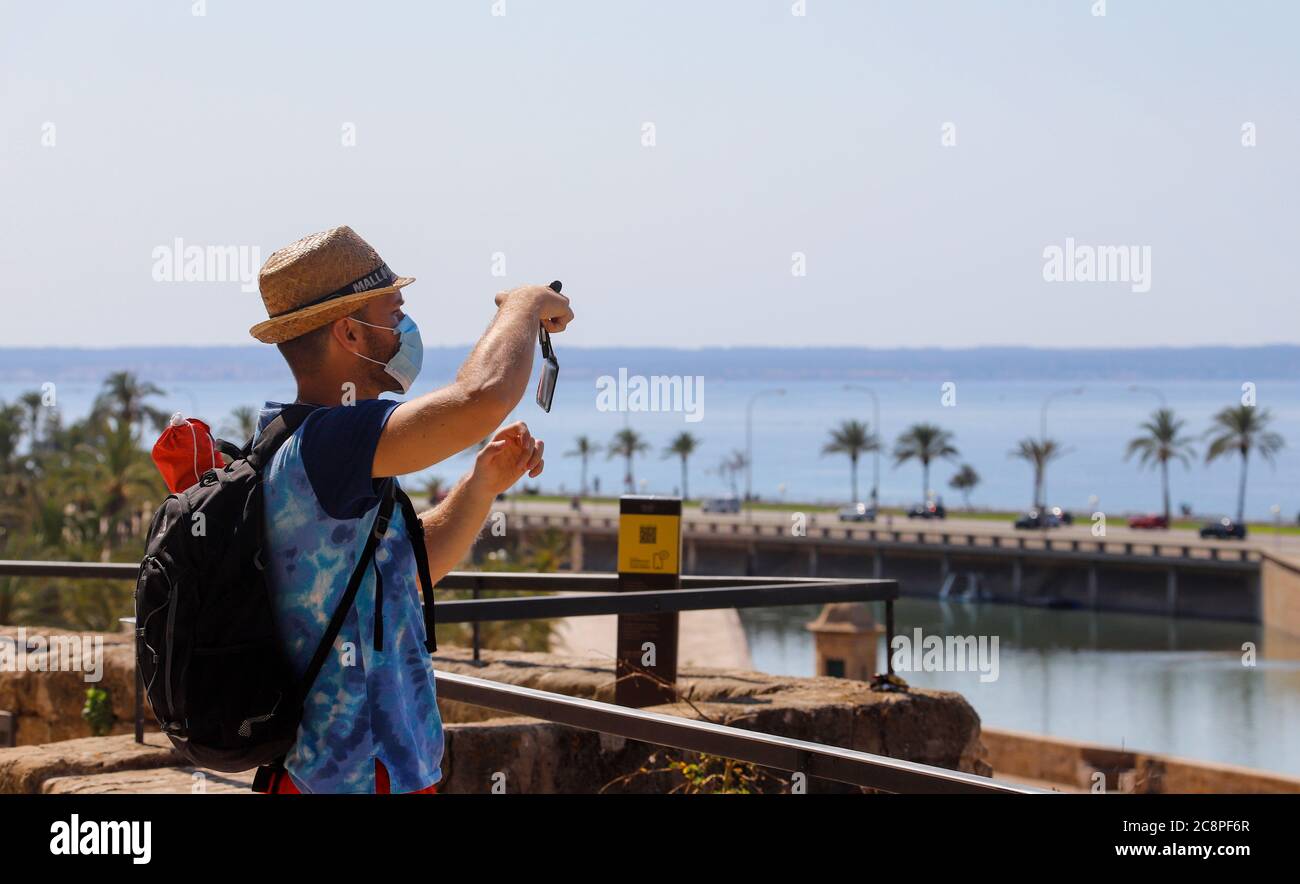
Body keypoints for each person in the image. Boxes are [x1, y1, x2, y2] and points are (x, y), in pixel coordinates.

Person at [245, 226, 573, 793]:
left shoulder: (309, 444)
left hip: (364, 771)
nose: (405, 326)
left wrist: (480, 486)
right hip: (348, 777)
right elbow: (482, 398)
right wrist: (523, 305)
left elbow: (405, 580)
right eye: (393, 311)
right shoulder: (331, 441)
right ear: (349, 331)